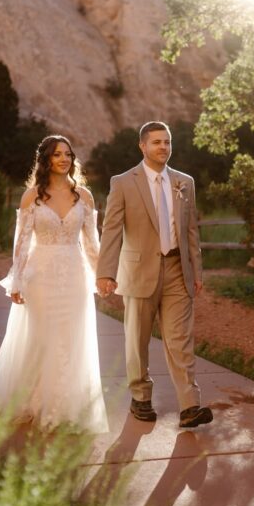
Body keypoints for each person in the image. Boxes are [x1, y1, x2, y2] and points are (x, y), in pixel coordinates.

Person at [0, 135, 108, 434]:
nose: (64, 159)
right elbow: (20, 244)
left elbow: (91, 243)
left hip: (74, 278)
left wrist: (102, 277)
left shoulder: (84, 196)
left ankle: (67, 405)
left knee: (71, 339)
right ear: (45, 160)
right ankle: (35, 402)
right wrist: (17, 280)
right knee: (43, 337)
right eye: (57, 154)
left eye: (68, 154)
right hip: (41, 278)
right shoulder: (31, 197)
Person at [96, 121, 213, 429]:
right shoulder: (123, 182)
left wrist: (196, 272)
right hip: (137, 270)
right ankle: (141, 398)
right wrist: (106, 272)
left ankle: (190, 405)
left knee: (180, 340)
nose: (163, 147)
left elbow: (191, 232)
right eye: (157, 142)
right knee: (137, 339)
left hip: (177, 269)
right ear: (142, 146)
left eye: (167, 142)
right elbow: (111, 231)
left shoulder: (184, 182)